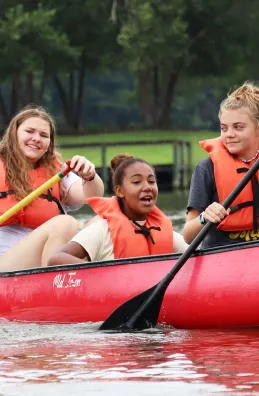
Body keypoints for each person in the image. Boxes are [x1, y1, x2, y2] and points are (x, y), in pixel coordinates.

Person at [0, 105, 104, 271]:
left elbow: (92, 196)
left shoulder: (57, 172)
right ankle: (56, 286)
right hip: (6, 266)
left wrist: (89, 175)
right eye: (29, 131)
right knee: (65, 223)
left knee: (104, 221)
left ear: (49, 143)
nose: (36, 138)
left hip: (48, 261)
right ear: (14, 133)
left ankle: (103, 278)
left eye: (43, 135)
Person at [48, 154, 188, 265]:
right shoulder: (102, 231)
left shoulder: (164, 231)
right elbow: (56, 259)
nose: (147, 187)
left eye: (152, 181)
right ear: (119, 191)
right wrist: (100, 272)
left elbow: (196, 254)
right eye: (137, 182)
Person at [184, 81, 259, 249]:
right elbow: (188, 236)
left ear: (257, 128)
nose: (229, 135)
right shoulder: (206, 168)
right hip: (221, 258)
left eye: (238, 127)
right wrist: (205, 217)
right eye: (224, 128)